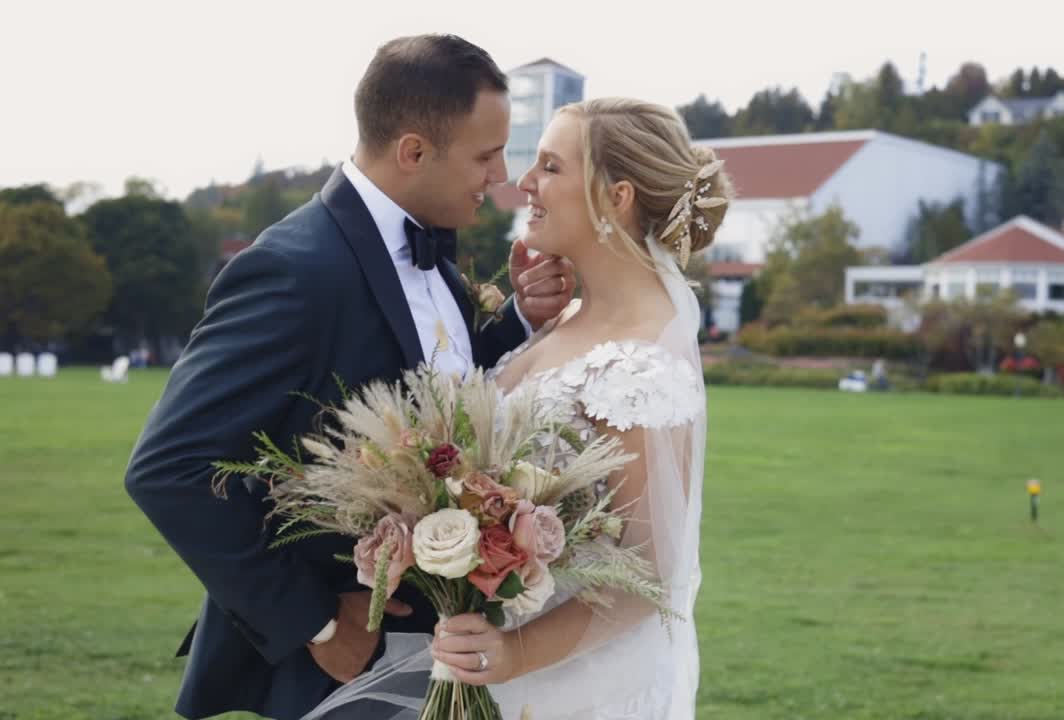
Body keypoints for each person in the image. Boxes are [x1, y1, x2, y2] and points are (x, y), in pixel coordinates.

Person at [124, 34, 576, 720]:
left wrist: (514, 321)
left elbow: (435, 404)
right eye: (486, 156)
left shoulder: (433, 258)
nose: (500, 178)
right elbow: (167, 467)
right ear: (414, 151)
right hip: (335, 671)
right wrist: (317, 624)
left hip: (440, 652)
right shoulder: (295, 270)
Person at [308, 97, 731, 720]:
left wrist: (512, 655)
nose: (523, 182)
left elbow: (647, 574)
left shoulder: (645, 366)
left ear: (616, 197)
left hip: (573, 684)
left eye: (551, 167)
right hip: (494, 658)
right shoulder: (562, 320)